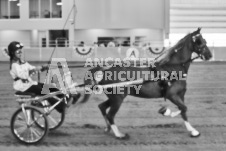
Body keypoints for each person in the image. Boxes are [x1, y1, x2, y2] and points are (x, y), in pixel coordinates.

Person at [7, 41, 79, 112]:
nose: (20, 53)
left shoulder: (22, 62)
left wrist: (42, 67)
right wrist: (34, 70)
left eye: (21, 51)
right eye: (18, 52)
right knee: (45, 92)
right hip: (23, 87)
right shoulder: (14, 65)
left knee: (50, 88)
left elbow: (31, 68)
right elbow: (23, 75)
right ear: (12, 53)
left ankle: (67, 97)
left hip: (30, 84)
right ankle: (61, 107)